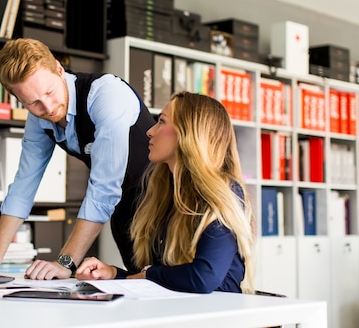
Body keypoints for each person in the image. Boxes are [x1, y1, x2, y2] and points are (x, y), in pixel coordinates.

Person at [0, 38, 156, 279]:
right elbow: (23, 186)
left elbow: (103, 189)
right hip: (126, 213)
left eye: (49, 92)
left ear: (59, 69)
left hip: (166, 206)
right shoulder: (40, 119)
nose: (47, 108)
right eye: (32, 102)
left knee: (177, 289)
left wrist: (64, 262)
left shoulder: (106, 95)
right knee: (141, 290)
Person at [75, 91, 255, 294]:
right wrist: (113, 274)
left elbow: (203, 277)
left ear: (188, 133)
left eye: (161, 121)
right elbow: (162, 277)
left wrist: (147, 274)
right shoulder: (161, 192)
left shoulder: (225, 193)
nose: (150, 131)